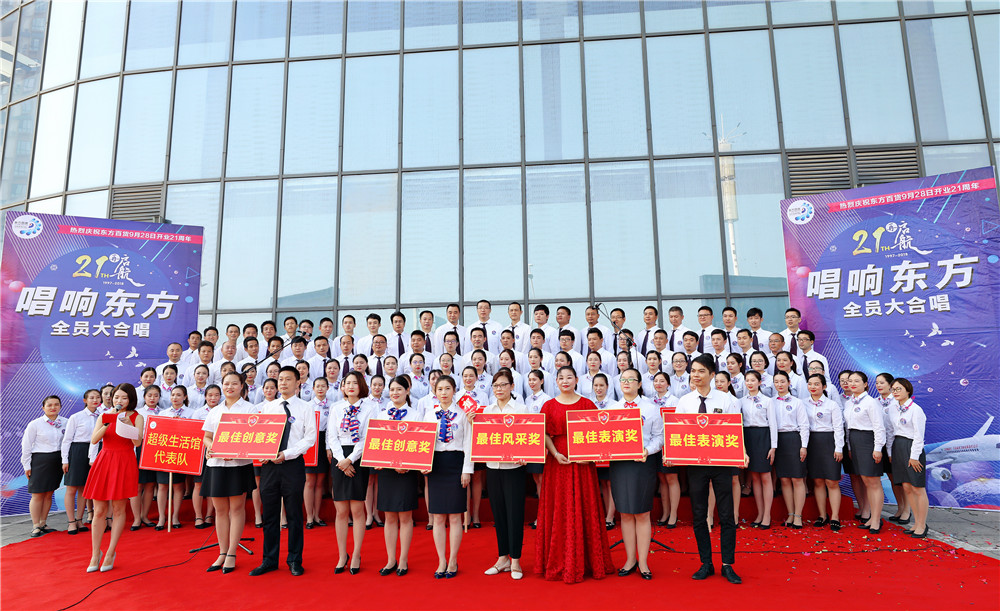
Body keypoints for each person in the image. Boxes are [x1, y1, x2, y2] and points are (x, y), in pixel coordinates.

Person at [669, 354, 747, 585]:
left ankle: (727, 564)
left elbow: (736, 429)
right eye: (693, 370)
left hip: (722, 463)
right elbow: (677, 433)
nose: (696, 375)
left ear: (712, 375)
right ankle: (706, 563)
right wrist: (671, 453)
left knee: (727, 515)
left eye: (701, 371)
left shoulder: (726, 400)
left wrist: (742, 452)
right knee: (699, 514)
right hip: (696, 465)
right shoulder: (685, 401)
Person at [535, 366, 614, 584]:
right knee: (559, 508)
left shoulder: (587, 404)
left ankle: (588, 561)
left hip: (583, 464)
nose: (565, 381)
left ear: (577, 380)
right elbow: (544, 433)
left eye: (569, 377)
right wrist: (554, 453)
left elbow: (598, 434)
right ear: (556, 381)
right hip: (557, 461)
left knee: (584, 506)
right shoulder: (549, 405)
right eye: (561, 378)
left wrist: (590, 457)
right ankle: (559, 560)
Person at [250, 366, 317, 577]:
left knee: (294, 514)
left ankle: (295, 559)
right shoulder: (268, 408)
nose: (283, 383)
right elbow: (261, 435)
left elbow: (310, 438)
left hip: (292, 465)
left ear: (298, 383)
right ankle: (269, 559)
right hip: (269, 466)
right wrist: (262, 452)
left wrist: (286, 454)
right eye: (280, 379)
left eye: (288, 379)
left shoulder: (305, 408)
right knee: (270, 515)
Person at [610, 368, 663, 580]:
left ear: (639, 384)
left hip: (642, 464)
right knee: (624, 512)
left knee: (642, 513)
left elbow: (659, 437)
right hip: (620, 465)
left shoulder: (650, 408)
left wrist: (647, 451)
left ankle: (643, 562)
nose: (626, 382)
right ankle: (630, 559)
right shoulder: (613, 409)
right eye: (623, 379)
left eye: (631, 379)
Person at [84, 383, 143, 573]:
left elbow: (137, 442)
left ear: (130, 399)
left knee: (118, 509)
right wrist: (109, 422)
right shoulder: (104, 416)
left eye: (124, 398)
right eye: (116, 397)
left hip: (124, 462)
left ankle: (110, 552)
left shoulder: (137, 417)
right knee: (99, 511)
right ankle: (95, 553)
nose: (119, 401)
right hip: (105, 461)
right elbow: (94, 439)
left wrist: (127, 425)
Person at [201, 372, 257, 574]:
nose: (230, 387)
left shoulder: (250, 409)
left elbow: (254, 437)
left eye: (234, 383)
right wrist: (212, 447)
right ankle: (222, 552)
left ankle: (232, 553)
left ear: (242, 386)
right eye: (226, 383)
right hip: (216, 464)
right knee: (220, 510)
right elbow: (207, 437)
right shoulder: (215, 410)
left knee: (236, 508)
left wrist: (234, 451)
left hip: (238, 465)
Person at [421, 376, 473, 579]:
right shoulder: (429, 415)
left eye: (447, 388)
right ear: (435, 392)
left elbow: (468, 443)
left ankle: (453, 559)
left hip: (456, 464)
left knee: (454, 516)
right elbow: (423, 442)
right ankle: (441, 560)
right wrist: (423, 464)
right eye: (440, 389)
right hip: (436, 465)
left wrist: (467, 469)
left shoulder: (463, 414)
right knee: (438, 516)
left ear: (454, 391)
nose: (443, 392)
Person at [481, 369, 529, 580]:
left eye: (503, 385)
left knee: (514, 514)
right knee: (498, 514)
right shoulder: (487, 410)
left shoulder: (521, 409)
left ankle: (516, 560)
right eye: (495, 386)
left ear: (512, 386)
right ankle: (503, 558)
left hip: (514, 469)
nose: (499, 389)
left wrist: (526, 454)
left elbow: (529, 437)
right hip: (493, 468)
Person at [372, 376, 422, 577]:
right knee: (390, 516)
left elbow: (420, 445)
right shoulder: (382, 415)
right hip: (387, 473)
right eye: (392, 389)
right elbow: (375, 444)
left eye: (399, 389)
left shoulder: (416, 415)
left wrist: (407, 466)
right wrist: (383, 463)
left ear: (407, 391)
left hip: (406, 473)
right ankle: (391, 559)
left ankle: (403, 559)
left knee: (405, 516)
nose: (395, 393)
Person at [327, 371, 374, 575]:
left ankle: (356, 554)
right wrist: (341, 461)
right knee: (341, 511)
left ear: (361, 385)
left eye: (355, 382)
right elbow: (332, 436)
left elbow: (367, 436)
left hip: (358, 458)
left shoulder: (370, 407)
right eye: (348, 383)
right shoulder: (336, 408)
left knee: (357, 509)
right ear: (343, 387)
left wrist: (350, 460)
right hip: (339, 459)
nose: (351, 386)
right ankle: (341, 554)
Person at [844, 371, 886, 533]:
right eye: (850, 381)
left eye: (857, 381)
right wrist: (849, 447)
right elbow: (848, 428)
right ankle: (871, 517)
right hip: (855, 442)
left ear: (865, 384)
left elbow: (879, 427)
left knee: (873, 481)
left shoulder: (871, 402)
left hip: (868, 441)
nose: (852, 384)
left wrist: (877, 448)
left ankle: (876, 519)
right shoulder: (849, 402)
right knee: (866, 481)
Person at [888, 378, 929, 538]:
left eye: (899, 389)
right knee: (906, 486)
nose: (895, 392)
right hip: (898, 447)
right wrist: (891, 452)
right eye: (893, 389)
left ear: (908, 390)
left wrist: (914, 456)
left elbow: (919, 436)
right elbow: (891, 431)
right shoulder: (893, 408)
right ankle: (916, 522)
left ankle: (922, 524)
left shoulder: (916, 410)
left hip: (912, 448)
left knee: (917, 487)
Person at [22, 395, 67, 538]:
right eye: (49, 405)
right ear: (43, 408)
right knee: (37, 494)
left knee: (49, 493)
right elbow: (26, 445)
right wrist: (26, 465)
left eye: (56, 404)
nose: (53, 407)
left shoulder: (66, 422)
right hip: (40, 461)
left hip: (57, 460)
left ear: (60, 406)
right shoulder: (35, 424)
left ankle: (43, 523)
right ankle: (35, 525)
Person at [804, 373, 844, 531]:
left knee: (832, 481)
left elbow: (839, 428)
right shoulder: (803, 403)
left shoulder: (832, 405)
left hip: (829, 443)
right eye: (810, 384)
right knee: (818, 481)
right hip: (811, 443)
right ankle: (822, 515)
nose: (813, 387)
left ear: (824, 386)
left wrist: (839, 448)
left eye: (816, 384)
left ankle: (835, 516)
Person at [772, 371, 810, 529]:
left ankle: (798, 516)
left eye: (782, 381)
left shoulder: (797, 402)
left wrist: (803, 446)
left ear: (789, 383)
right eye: (776, 382)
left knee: (797, 478)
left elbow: (804, 425)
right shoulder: (771, 402)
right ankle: (790, 514)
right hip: (778, 440)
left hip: (794, 440)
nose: (779, 384)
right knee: (784, 479)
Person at [739, 371, 776, 529]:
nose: (750, 383)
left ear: (760, 382)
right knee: (754, 477)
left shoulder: (768, 401)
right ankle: (760, 514)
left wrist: (773, 446)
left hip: (763, 437)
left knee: (765, 476)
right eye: (747, 380)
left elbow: (773, 424)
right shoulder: (741, 401)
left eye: (753, 380)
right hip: (748, 437)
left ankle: (767, 515)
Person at [62, 389, 102, 535]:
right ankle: (71, 521)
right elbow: (67, 440)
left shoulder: (103, 416)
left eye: (97, 397)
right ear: (85, 400)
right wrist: (65, 460)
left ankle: (79, 519)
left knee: (84, 488)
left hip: (96, 450)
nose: (95, 400)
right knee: (72, 488)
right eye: (91, 398)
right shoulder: (76, 417)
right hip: (78, 451)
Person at [305, 377, 332, 529]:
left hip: (324, 442)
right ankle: (309, 516)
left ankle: (317, 515)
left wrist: (328, 447)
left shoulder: (332, 406)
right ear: (313, 388)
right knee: (309, 480)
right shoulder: (307, 406)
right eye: (318, 386)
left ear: (328, 388)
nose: (320, 389)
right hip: (311, 442)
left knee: (320, 481)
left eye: (323, 386)